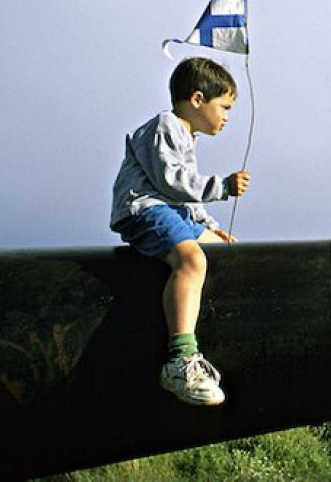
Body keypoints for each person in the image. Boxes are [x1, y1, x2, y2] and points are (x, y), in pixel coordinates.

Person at [109, 57, 251, 405]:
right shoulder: (165, 126)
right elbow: (171, 182)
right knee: (192, 261)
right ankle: (181, 359)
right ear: (198, 99)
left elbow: (185, 196)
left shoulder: (186, 136)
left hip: (171, 210)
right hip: (145, 208)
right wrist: (223, 187)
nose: (228, 117)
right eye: (225, 106)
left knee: (216, 249)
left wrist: (210, 227)